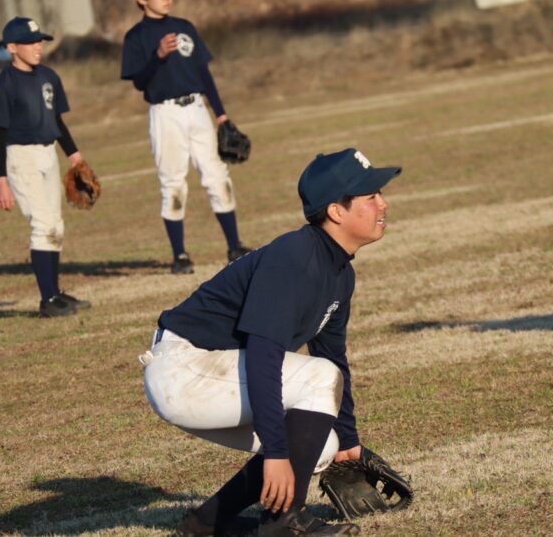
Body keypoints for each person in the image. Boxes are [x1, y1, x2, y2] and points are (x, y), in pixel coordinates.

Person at [139, 148, 400, 536]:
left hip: (213, 369)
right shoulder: (293, 259)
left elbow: (332, 354)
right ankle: (282, 523)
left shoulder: (339, 271)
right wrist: (276, 452)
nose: (383, 203)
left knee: (321, 443)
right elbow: (265, 357)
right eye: (370, 195)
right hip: (185, 369)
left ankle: (204, 524)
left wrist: (349, 442)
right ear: (336, 211)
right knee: (317, 380)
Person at [120, 0, 250, 275]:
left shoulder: (184, 27)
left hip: (197, 110)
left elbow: (204, 74)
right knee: (173, 182)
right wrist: (158, 57)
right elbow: (139, 82)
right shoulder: (136, 37)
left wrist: (220, 114)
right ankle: (180, 255)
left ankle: (235, 247)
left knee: (218, 175)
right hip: (165, 114)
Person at [0, 17, 91, 317]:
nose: (38, 46)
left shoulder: (48, 76)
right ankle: (47, 300)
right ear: (11, 47)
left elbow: (57, 120)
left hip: (48, 154)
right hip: (21, 158)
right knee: (42, 225)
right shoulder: (4, 85)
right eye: (30, 42)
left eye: (40, 40)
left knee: (55, 225)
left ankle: (55, 293)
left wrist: (74, 155)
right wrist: (1, 180)